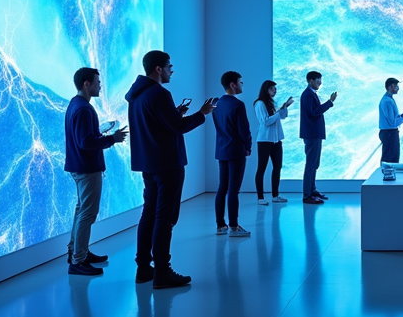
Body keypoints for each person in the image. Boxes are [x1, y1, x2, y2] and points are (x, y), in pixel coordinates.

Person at [126, 50, 215, 289]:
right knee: (165, 218)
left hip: (149, 163)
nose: (171, 71)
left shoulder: (137, 95)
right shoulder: (159, 93)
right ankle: (163, 272)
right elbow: (178, 127)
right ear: (158, 69)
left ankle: (144, 268)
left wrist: (174, 112)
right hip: (167, 164)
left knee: (149, 214)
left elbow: (158, 124)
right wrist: (201, 114)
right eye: (169, 67)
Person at [64, 67, 128, 276]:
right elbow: (86, 142)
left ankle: (77, 252)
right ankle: (78, 260)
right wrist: (112, 139)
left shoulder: (76, 105)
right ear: (86, 83)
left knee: (80, 211)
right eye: (98, 82)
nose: (100, 85)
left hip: (78, 166)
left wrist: (99, 129)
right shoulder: (84, 109)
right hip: (87, 167)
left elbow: (82, 136)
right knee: (87, 214)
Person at [213, 71, 253, 238]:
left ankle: (220, 225)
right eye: (241, 82)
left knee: (222, 188)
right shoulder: (238, 105)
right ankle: (234, 227)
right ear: (232, 84)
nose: (242, 85)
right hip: (236, 151)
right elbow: (244, 130)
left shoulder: (216, 103)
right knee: (233, 190)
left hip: (222, 150)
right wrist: (248, 145)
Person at [300, 71, 337, 204]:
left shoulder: (310, 94)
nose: (320, 83)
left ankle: (312, 190)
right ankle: (307, 195)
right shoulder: (308, 95)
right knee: (311, 164)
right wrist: (330, 102)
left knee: (314, 164)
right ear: (310, 80)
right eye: (318, 81)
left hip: (313, 133)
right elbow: (314, 112)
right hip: (312, 134)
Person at [254, 80, 294, 205]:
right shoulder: (260, 103)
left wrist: (284, 108)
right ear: (266, 89)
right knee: (262, 168)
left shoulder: (271, 103)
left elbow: (282, 117)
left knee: (277, 167)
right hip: (265, 141)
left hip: (276, 140)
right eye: (272, 89)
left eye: (275, 89)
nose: (275, 91)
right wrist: (279, 111)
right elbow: (266, 122)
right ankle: (260, 197)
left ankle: (275, 195)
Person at [378, 77, 403, 163]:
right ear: (390, 86)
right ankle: (387, 176)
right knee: (390, 160)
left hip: (390, 133)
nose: (398, 88)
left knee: (392, 158)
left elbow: (394, 118)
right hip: (389, 134)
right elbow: (392, 122)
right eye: (396, 86)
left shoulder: (389, 99)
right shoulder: (387, 101)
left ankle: (388, 175)